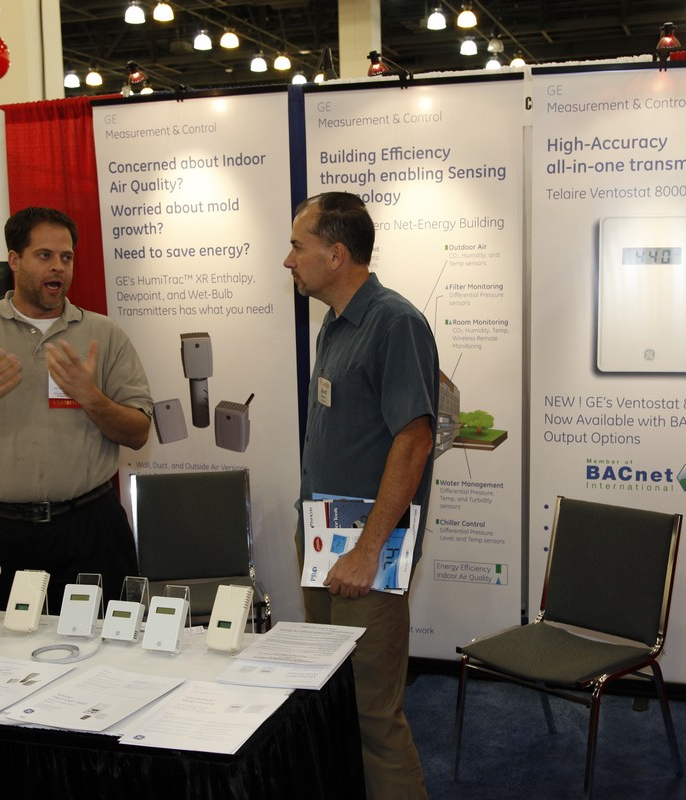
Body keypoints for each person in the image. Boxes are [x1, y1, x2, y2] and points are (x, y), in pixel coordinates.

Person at [0, 207, 154, 614]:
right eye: (44, 255)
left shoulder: (104, 335)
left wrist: (90, 396)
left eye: (66, 257)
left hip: (89, 529)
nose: (58, 267)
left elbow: (138, 433)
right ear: (14, 260)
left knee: (105, 644)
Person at [284, 192, 438, 799]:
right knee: (332, 700)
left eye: (297, 247)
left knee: (372, 713)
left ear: (335, 254)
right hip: (325, 544)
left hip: (365, 555)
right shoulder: (335, 321)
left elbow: (415, 440)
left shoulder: (394, 322)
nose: (288, 260)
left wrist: (369, 551)